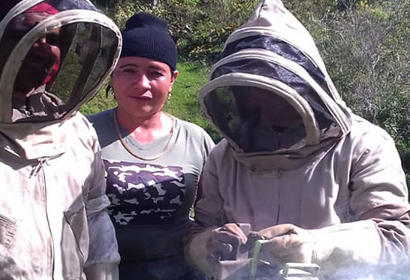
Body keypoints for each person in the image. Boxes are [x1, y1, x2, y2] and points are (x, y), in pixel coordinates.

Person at [184, 0, 410, 279]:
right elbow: (199, 229)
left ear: (305, 86)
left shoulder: (364, 145)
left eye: (274, 87)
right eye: (250, 88)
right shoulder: (223, 155)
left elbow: (398, 238)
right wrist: (206, 244)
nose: (264, 101)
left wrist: (317, 248)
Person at [87, 12, 215, 280]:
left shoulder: (196, 139)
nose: (141, 83)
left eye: (155, 72)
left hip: (182, 273)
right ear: (112, 74)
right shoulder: (84, 134)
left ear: (172, 80)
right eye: (128, 70)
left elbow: (210, 219)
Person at [0, 0, 122, 279]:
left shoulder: (78, 131)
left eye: (53, 38)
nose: (42, 47)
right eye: (25, 34)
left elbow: (95, 216)